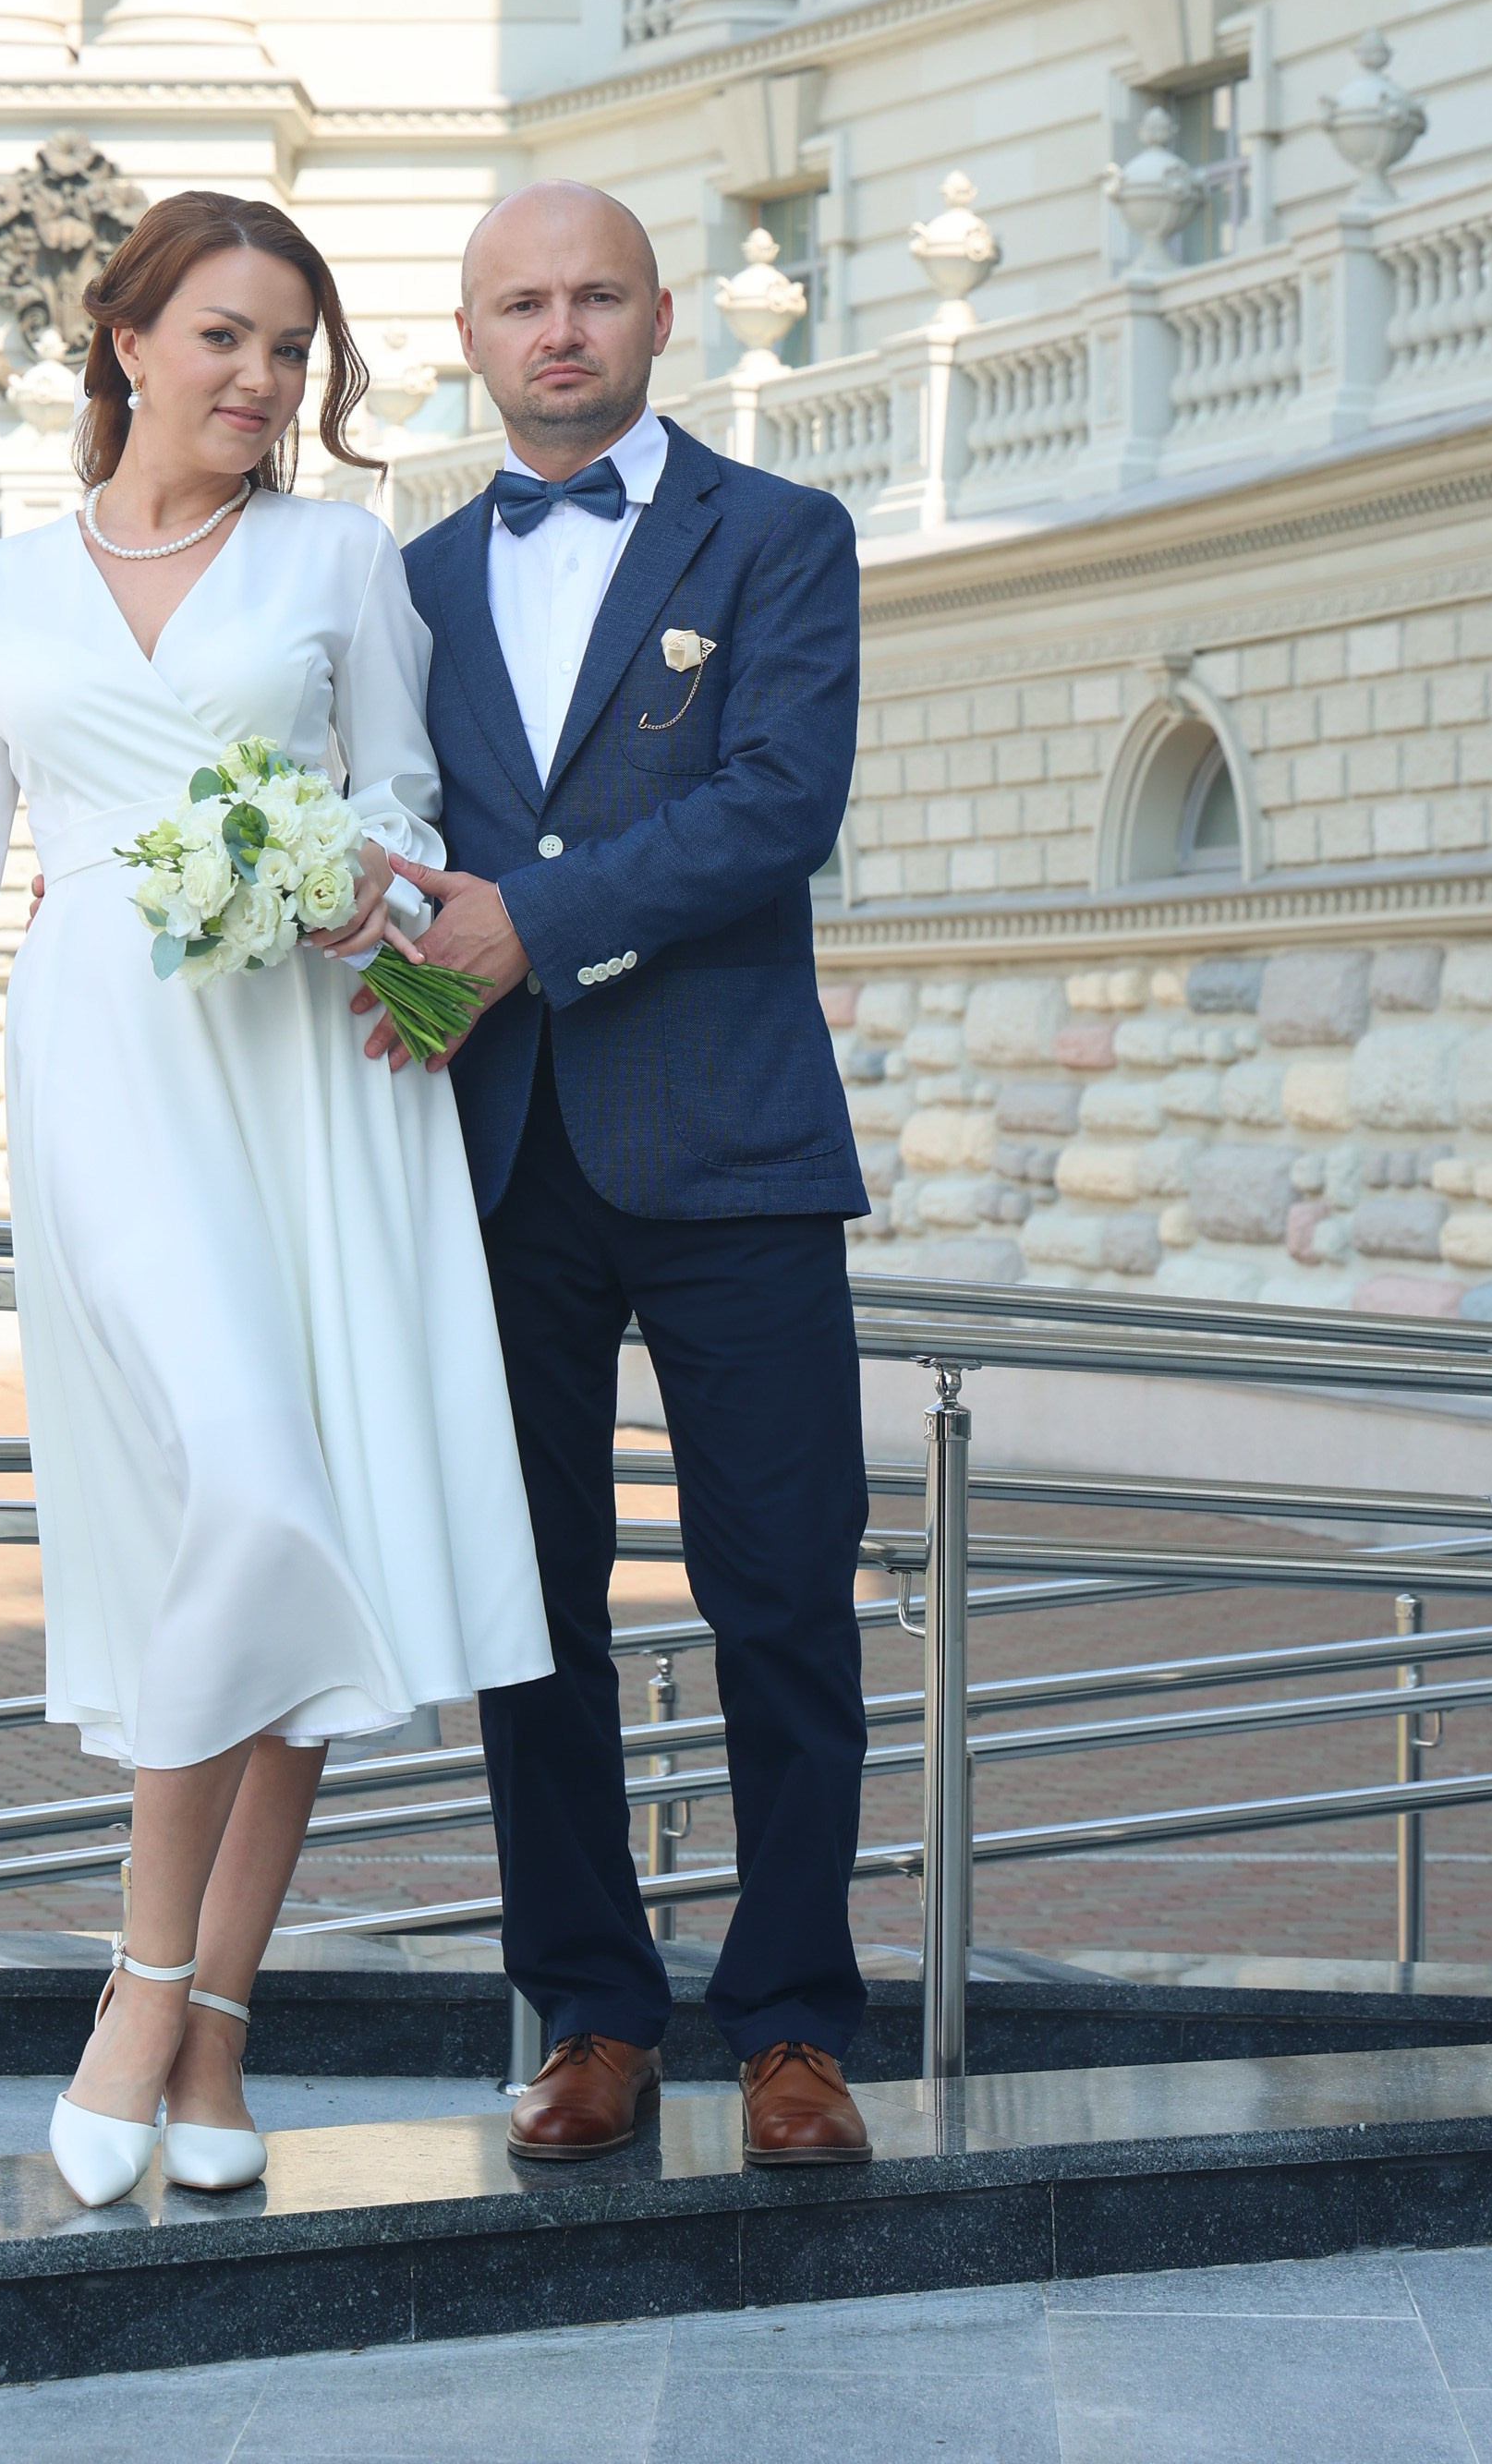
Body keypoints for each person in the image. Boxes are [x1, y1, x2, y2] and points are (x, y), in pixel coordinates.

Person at [0, 190, 550, 2208]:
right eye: (223, 338)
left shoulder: (338, 557)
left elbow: (406, 806)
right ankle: (149, 1986)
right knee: (239, 1493)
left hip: (312, 1073)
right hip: (107, 1070)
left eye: (292, 352)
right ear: (126, 343)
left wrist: (368, 899)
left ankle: (201, 2024)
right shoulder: (0, 590)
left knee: (301, 1521)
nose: (260, 380)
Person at [379, 178, 875, 2170]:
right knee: (533, 1608)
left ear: (661, 318)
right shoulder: (405, 583)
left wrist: (537, 921)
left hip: (735, 1146)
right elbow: (382, 841)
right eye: (521, 304)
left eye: (594, 296)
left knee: (783, 1595)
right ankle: (588, 2013)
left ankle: (795, 2029)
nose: (559, 330)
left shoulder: (779, 535)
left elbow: (780, 803)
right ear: (472, 339)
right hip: (498, 1158)